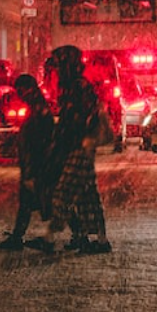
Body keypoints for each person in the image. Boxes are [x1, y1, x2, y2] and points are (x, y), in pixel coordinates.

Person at [25, 45, 112, 255]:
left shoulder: (76, 86)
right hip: (79, 146)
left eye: (58, 66)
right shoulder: (73, 85)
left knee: (63, 194)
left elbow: (80, 118)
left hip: (79, 147)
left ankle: (50, 238)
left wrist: (72, 139)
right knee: (88, 196)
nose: (55, 72)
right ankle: (97, 240)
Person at [0, 74, 55, 251]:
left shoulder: (38, 109)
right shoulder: (35, 106)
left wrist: (33, 167)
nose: (20, 95)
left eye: (21, 91)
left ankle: (70, 237)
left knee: (49, 201)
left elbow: (39, 139)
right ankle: (20, 236)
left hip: (38, 165)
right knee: (33, 202)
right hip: (37, 164)